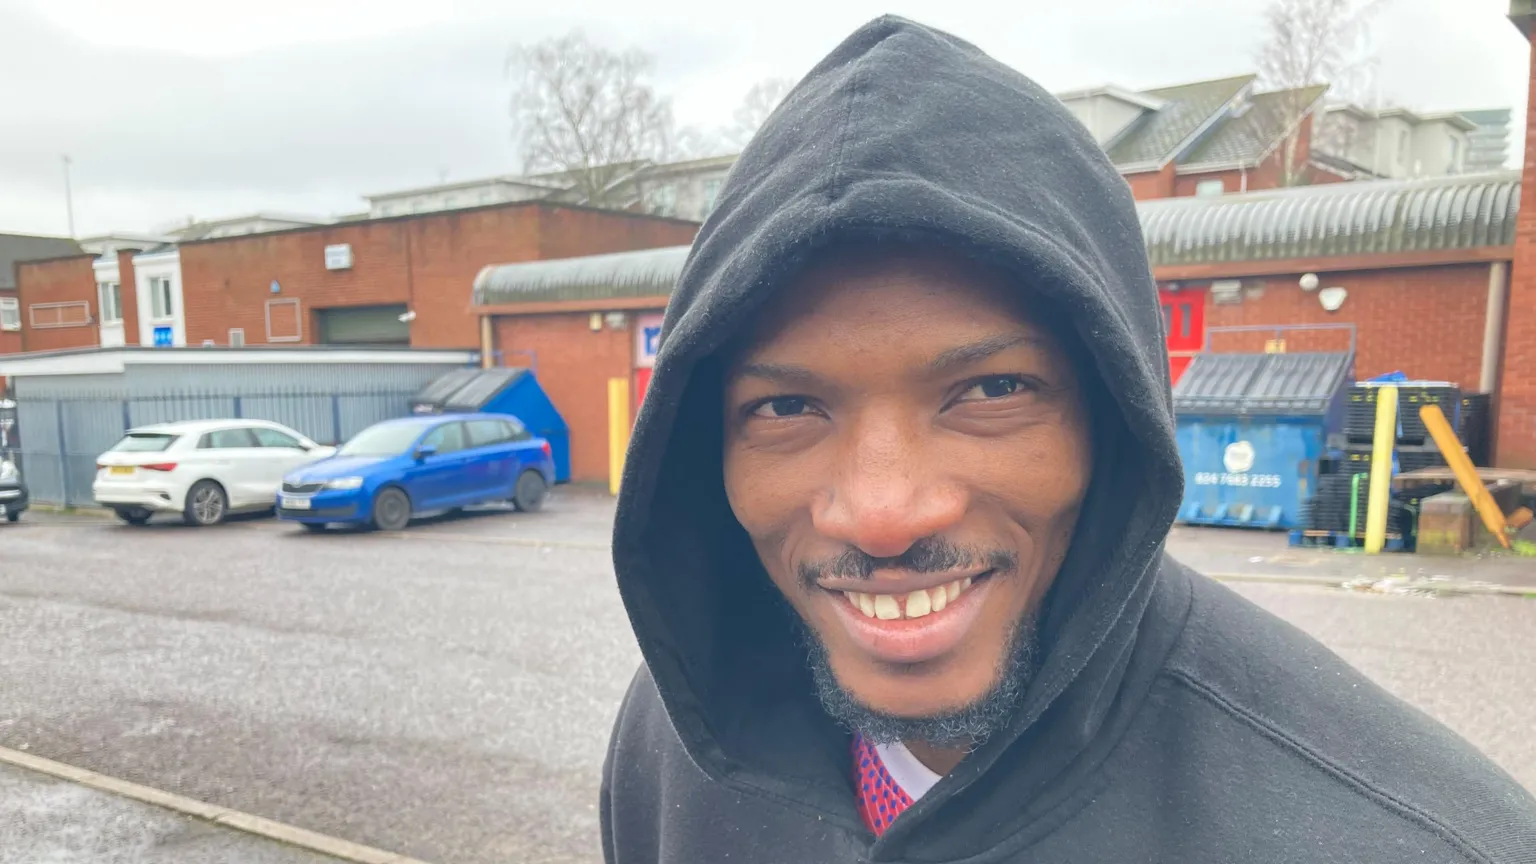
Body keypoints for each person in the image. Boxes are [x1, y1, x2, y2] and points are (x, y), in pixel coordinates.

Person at [601, 15, 1536, 863]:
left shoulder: (1415, 842)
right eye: (786, 409)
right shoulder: (673, 748)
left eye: (991, 390)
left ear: (1110, 419)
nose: (883, 515)